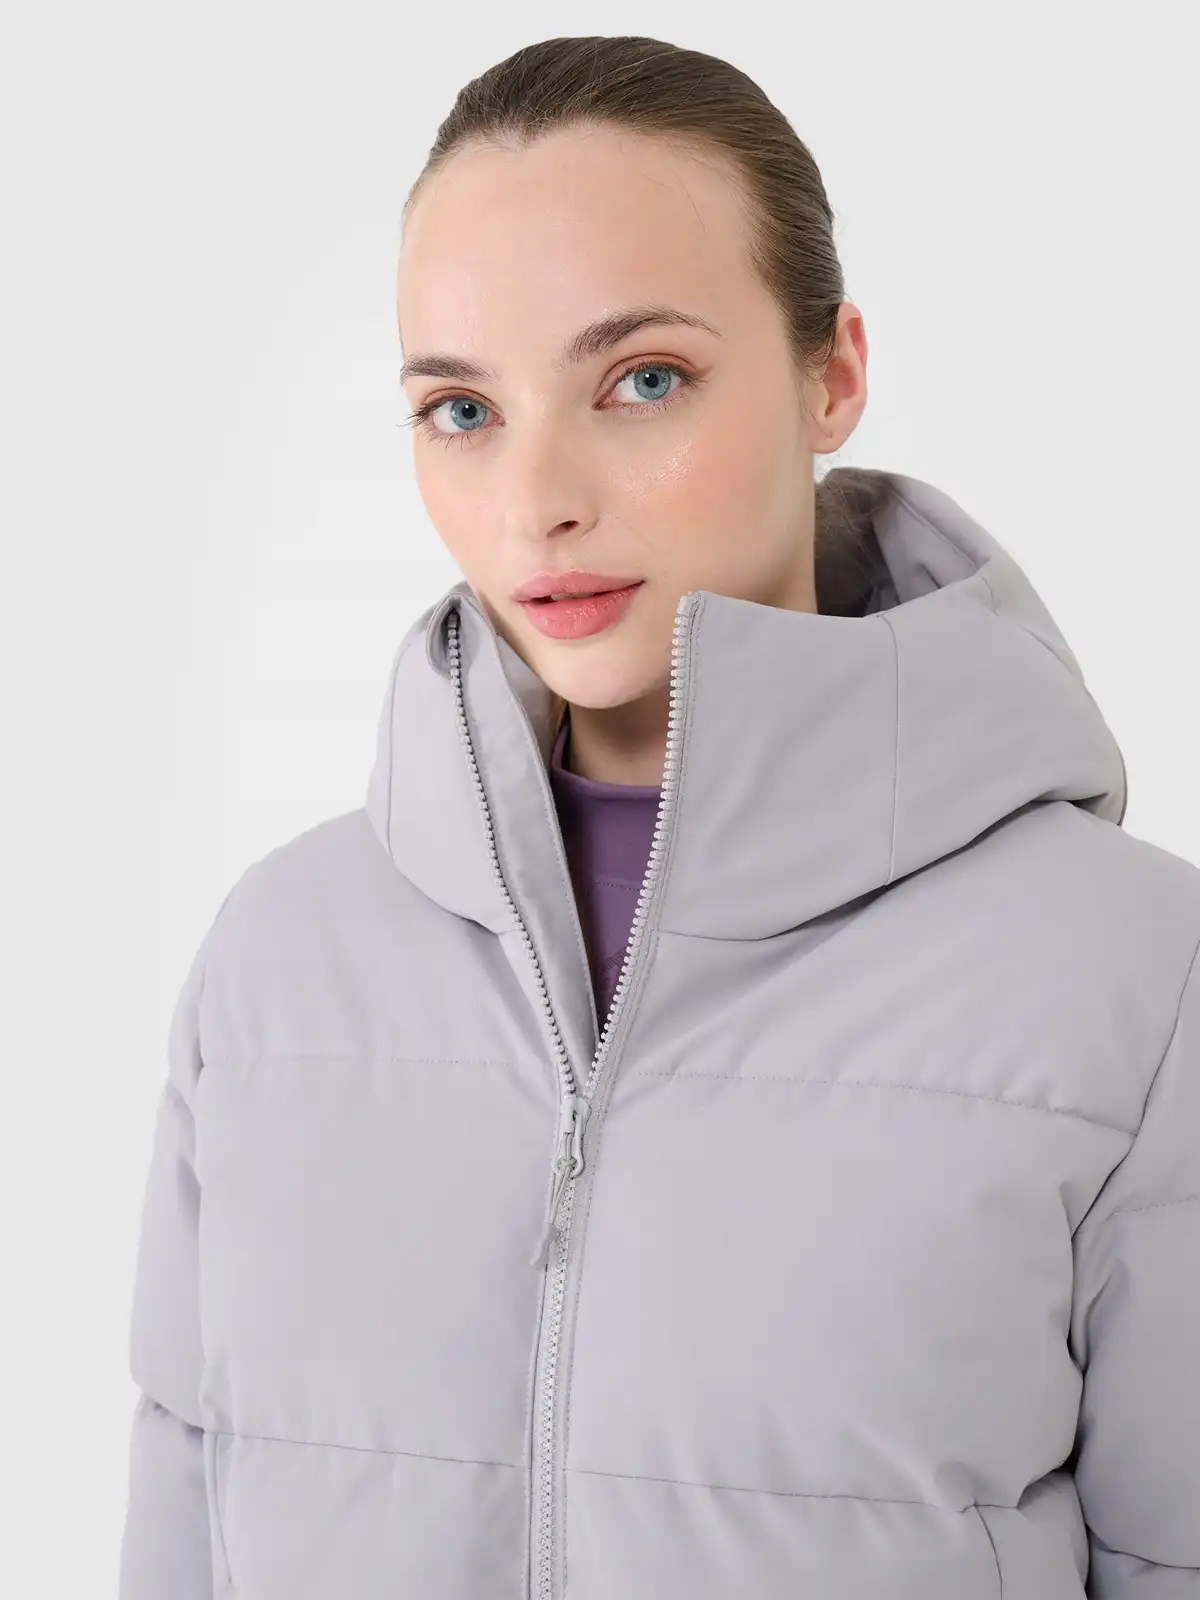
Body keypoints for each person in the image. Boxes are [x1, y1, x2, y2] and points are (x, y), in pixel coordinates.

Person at [118, 34, 1200, 1600]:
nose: (538, 499)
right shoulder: (277, 965)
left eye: (643, 381)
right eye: (463, 409)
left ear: (834, 375)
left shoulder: (1136, 977)